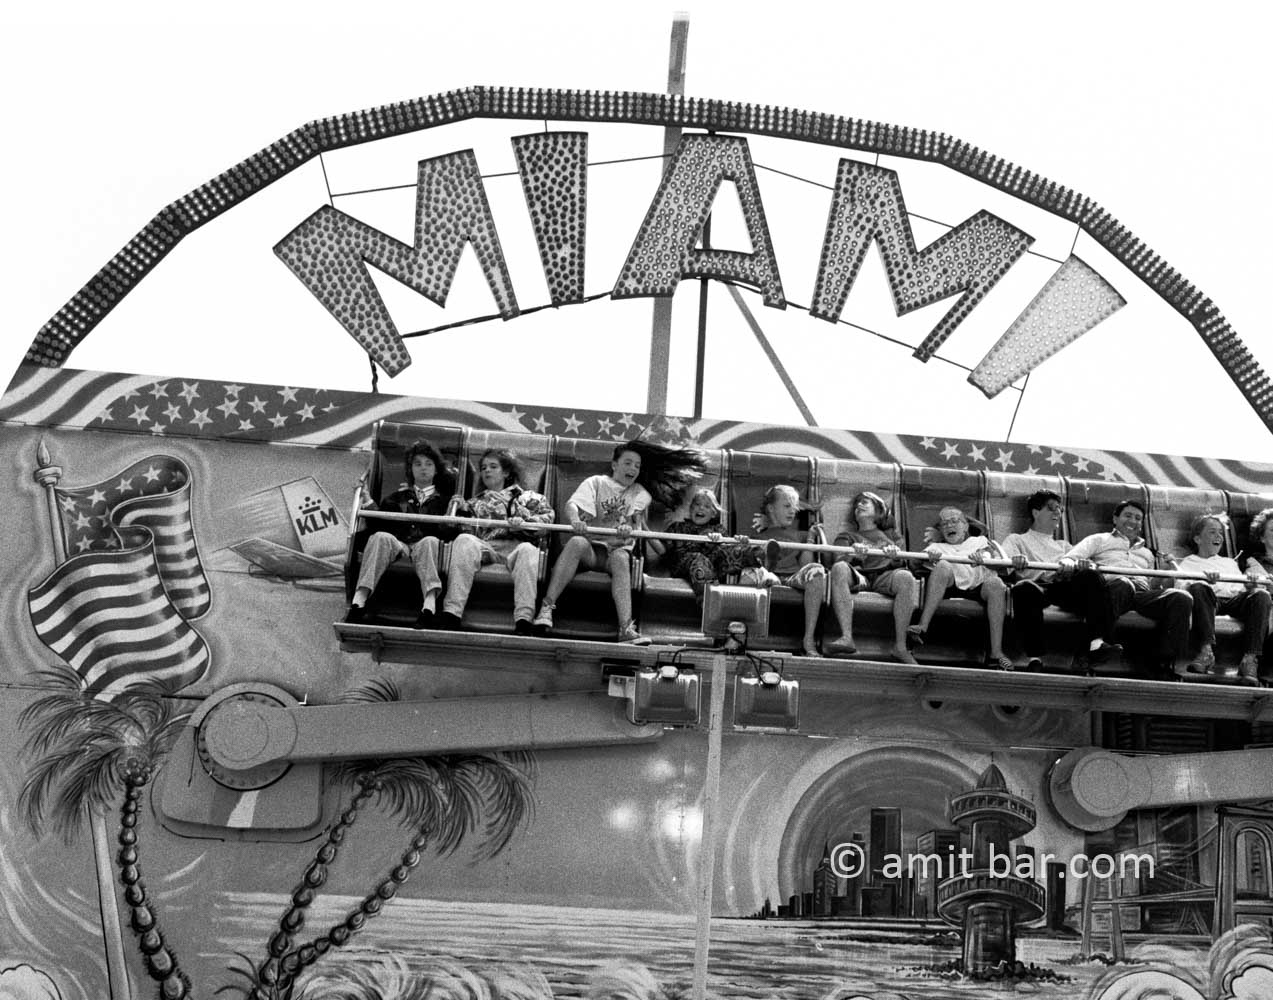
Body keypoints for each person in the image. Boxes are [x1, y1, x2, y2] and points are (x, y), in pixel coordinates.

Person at [532, 439, 707, 644]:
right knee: (576, 542)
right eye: (628, 463)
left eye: (637, 466)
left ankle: (626, 628)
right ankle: (546, 609)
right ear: (614, 465)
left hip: (615, 553)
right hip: (592, 551)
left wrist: (629, 527)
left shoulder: (640, 492)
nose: (633, 469)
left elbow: (635, 516)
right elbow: (572, 505)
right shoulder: (595, 482)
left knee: (621, 557)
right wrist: (576, 520)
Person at [1059, 499, 1192, 677]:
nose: (1133, 521)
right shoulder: (1099, 539)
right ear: (1115, 519)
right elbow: (1070, 558)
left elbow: (1151, 584)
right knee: (1123, 584)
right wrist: (1071, 563)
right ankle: (1092, 649)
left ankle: (1165, 663)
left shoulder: (1147, 553)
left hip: (1141, 594)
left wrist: (1165, 572)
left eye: (1137, 518)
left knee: (1181, 597)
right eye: (1127, 516)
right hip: (1111, 589)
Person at [438, 448, 555, 635]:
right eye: (483, 468)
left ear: (506, 472)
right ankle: (451, 613)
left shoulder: (530, 498)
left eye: (493, 467)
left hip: (516, 549)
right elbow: (459, 533)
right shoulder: (474, 503)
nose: (487, 471)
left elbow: (546, 524)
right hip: (486, 548)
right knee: (464, 540)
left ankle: (524, 620)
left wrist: (523, 521)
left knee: (528, 551)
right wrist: (459, 512)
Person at [346, 439, 459, 628]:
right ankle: (359, 602)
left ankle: (429, 605)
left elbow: (448, 533)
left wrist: (450, 517)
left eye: (428, 464)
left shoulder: (446, 502)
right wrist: (366, 498)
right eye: (418, 464)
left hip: (427, 548)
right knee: (380, 537)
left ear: (436, 470)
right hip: (401, 546)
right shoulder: (396, 498)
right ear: (411, 469)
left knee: (429, 541)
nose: (423, 468)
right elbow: (379, 524)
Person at [1002, 490, 1118, 671]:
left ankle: (1097, 643)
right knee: (1023, 588)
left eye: (1060, 509)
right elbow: (1003, 565)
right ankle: (1034, 658)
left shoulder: (1064, 546)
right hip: (1036, 586)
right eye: (1051, 508)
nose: (1057, 512)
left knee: (1091, 576)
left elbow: (1085, 565)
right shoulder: (1016, 540)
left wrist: (1082, 566)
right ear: (1035, 512)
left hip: (1061, 587)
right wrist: (1015, 560)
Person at [741, 484, 857, 659]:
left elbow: (808, 564)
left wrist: (810, 539)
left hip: (793, 577)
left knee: (816, 571)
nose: (792, 511)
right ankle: (740, 633)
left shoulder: (800, 535)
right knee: (750, 572)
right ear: (771, 509)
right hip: (766, 573)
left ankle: (808, 640)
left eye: (794, 508)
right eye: (787, 506)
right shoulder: (758, 536)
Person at [908, 506, 1013, 670]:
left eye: (954, 521)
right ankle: (922, 627)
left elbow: (1002, 565)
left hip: (979, 586)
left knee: (996, 584)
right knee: (942, 566)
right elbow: (914, 565)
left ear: (965, 526)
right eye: (944, 524)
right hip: (950, 586)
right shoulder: (937, 547)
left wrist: (984, 559)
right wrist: (929, 559)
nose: (949, 526)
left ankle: (996, 653)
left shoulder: (980, 542)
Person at [1175, 513, 1270, 685]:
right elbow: (1181, 588)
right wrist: (1205, 581)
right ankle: (1206, 652)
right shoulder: (1188, 562)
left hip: (1232, 600)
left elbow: (1239, 590)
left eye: (1220, 532)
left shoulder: (1229, 563)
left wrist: (1249, 586)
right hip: (1209, 601)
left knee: (1261, 595)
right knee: (1199, 587)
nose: (1218, 536)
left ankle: (1250, 660)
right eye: (1212, 532)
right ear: (1197, 539)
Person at [832, 491, 918, 664]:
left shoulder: (893, 536)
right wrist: (853, 555)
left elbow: (906, 562)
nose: (859, 506)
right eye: (857, 504)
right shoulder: (847, 536)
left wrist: (896, 556)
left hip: (884, 576)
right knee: (840, 568)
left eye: (865, 502)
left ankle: (900, 647)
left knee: (906, 577)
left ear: (879, 510)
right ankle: (846, 637)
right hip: (859, 576)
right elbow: (837, 562)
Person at [651, 487, 749, 603]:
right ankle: (711, 602)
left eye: (706, 506)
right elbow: (662, 550)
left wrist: (739, 542)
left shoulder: (718, 529)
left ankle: (758, 563)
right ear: (691, 508)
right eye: (697, 504)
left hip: (714, 568)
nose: (701, 508)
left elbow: (727, 552)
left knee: (737, 551)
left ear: (713, 513)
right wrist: (642, 527)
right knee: (698, 558)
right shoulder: (678, 527)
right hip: (687, 567)